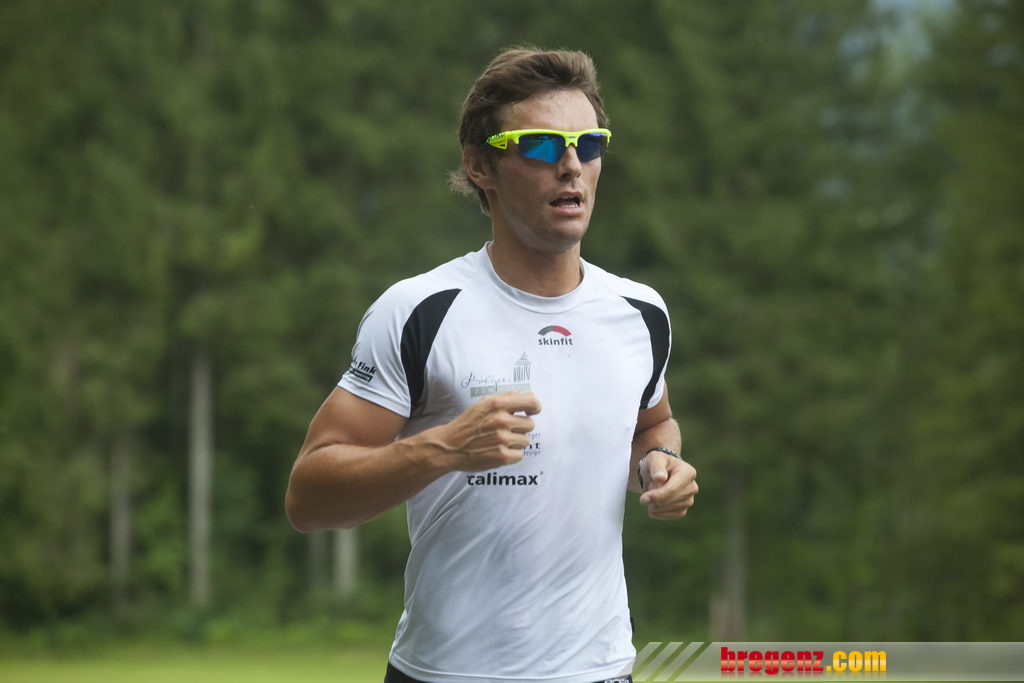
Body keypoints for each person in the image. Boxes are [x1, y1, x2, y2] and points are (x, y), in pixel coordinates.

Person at [285, 46, 698, 683]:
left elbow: (651, 424)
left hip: (602, 668)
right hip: (447, 672)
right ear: (480, 166)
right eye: (540, 145)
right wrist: (441, 449)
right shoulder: (420, 311)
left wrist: (659, 463)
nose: (571, 165)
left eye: (589, 144)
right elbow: (308, 499)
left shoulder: (640, 313)